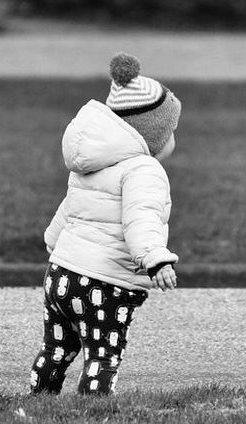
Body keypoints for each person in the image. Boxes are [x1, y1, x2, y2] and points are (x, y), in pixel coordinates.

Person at [29, 52, 181, 395]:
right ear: (150, 135)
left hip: (60, 276)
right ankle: (94, 409)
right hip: (104, 284)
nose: (173, 139)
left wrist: (55, 242)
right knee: (103, 354)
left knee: (57, 348)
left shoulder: (92, 164)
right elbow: (141, 218)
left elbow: (71, 209)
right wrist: (155, 257)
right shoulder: (144, 170)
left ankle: (41, 396)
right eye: (170, 130)